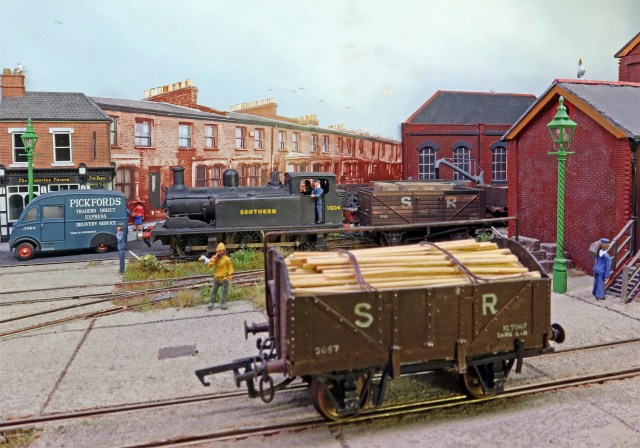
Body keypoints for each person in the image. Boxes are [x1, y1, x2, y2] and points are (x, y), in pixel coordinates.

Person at [200, 243, 234, 310]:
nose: (219, 252)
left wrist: (230, 275)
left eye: (220, 251)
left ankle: (223, 303)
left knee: (224, 291)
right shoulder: (215, 258)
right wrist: (213, 260)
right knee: (214, 290)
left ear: (223, 251)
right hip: (216, 278)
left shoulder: (227, 259)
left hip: (224, 278)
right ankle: (211, 302)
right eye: (218, 251)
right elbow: (209, 266)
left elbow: (230, 268)